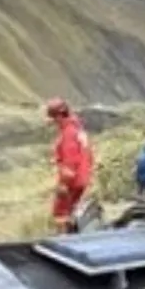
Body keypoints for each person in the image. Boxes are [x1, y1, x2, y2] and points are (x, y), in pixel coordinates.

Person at [45, 98, 92, 235]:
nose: (54, 123)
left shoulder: (68, 134)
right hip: (81, 179)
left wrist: (63, 184)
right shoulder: (78, 129)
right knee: (73, 213)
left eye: (54, 118)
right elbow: (88, 155)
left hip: (72, 181)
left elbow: (70, 161)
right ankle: (74, 237)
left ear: (59, 116)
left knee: (60, 214)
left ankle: (64, 242)